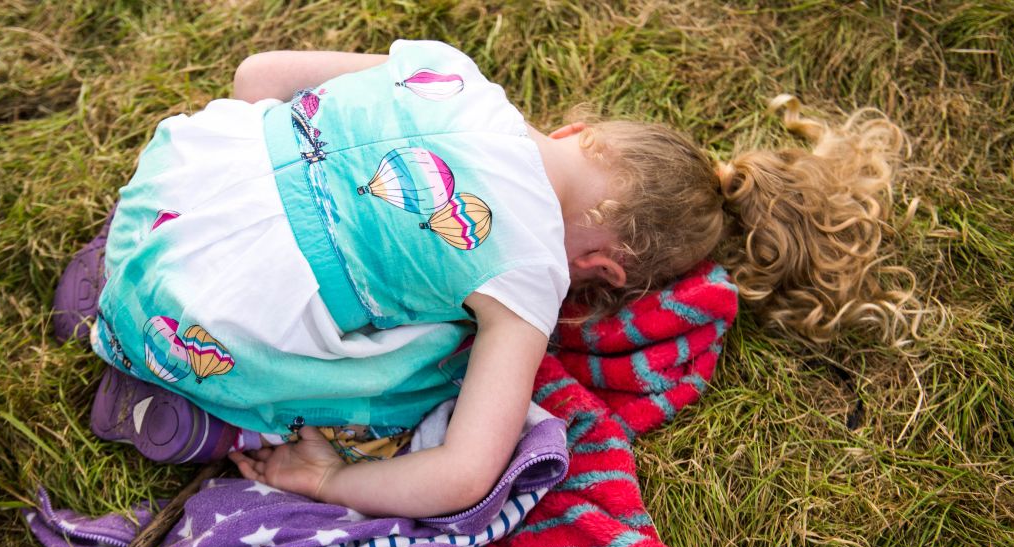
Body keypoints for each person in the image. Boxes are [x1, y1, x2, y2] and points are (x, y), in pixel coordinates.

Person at [53, 40, 920, 518]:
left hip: (163, 204)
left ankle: (113, 278)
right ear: (602, 272)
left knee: (271, 149)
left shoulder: (455, 72)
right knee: (441, 362)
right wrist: (330, 484)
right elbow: (466, 472)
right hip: (208, 332)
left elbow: (258, 78)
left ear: (583, 133)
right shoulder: (530, 275)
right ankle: (196, 414)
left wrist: (247, 195)